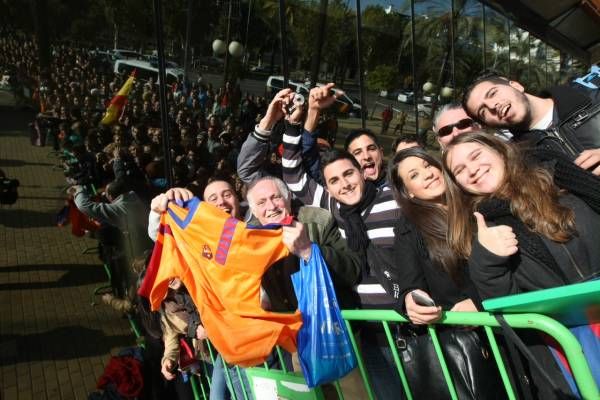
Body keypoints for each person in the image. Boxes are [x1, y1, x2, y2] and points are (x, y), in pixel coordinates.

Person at [442, 131, 600, 399]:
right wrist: (487, 260)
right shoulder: (480, 230)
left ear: (499, 150)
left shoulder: (558, 177)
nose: (472, 170)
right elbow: (507, 308)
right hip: (571, 342)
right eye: (459, 170)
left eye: (476, 155)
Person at [370, 147, 505, 399]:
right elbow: (409, 284)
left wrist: (478, 302)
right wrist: (410, 301)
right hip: (471, 345)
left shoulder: (479, 201)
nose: (428, 174)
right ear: (408, 191)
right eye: (415, 175)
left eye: (428, 165)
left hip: (514, 326)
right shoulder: (408, 228)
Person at [461, 72, 600, 174]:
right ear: (488, 126)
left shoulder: (593, 94)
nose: (492, 105)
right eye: (483, 111)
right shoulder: (519, 162)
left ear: (516, 85)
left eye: (492, 93)